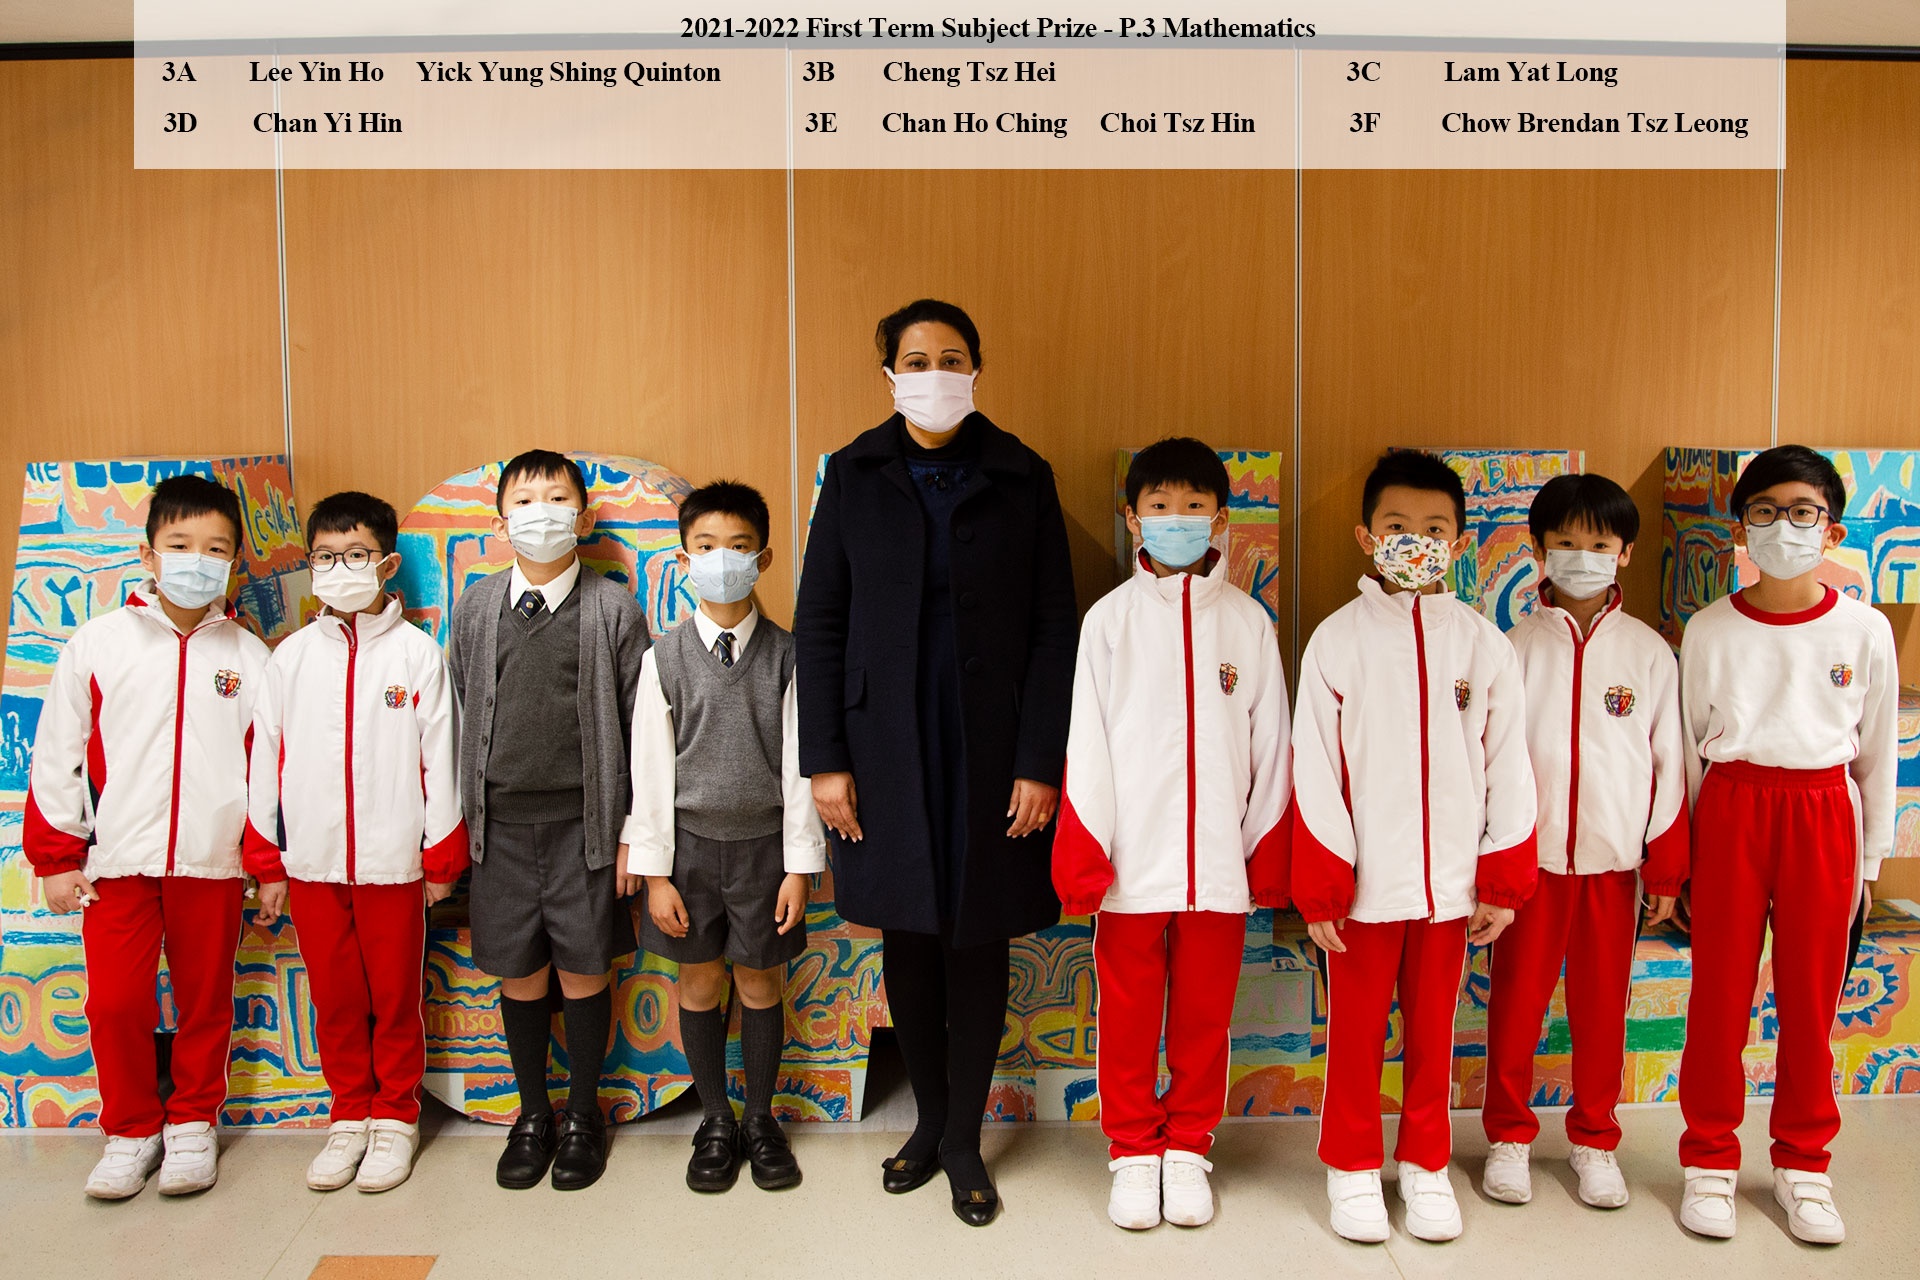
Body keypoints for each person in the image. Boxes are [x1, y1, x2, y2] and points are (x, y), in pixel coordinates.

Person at [794, 298, 1078, 1225]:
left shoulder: (1023, 475)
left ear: (976, 369)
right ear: (888, 374)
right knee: (908, 932)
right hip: (882, 743)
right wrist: (825, 758)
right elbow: (821, 622)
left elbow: (1054, 627)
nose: (934, 373)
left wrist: (1040, 759)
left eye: (952, 358)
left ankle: (962, 1139)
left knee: (977, 934)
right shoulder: (853, 474)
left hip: (992, 744)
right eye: (916, 360)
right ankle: (928, 1121)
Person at [1291, 449, 1537, 1244]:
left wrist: (1502, 877)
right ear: (1367, 537)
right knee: (1356, 1036)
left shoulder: (1483, 645)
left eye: (1434, 529)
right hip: (1363, 890)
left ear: (1459, 543)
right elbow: (1314, 767)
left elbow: (1508, 763)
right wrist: (1324, 884)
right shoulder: (1336, 641)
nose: (1416, 542)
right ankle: (1352, 1164)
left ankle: (1427, 1162)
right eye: (1398, 525)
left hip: (1450, 890)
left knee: (1435, 1034)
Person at [1052, 438, 1291, 1231]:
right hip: (1131, 867)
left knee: (1203, 1020)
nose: (1177, 519)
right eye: (1160, 506)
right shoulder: (1108, 623)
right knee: (1125, 1019)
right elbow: (1086, 743)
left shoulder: (1249, 624)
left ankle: (1188, 1146)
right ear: (1133, 518)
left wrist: (1261, 853)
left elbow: (1272, 746)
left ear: (1221, 519)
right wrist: (1090, 853)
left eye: (1194, 506)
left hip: (1217, 869)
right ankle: (1132, 1150)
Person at [1674, 445, 1898, 1246]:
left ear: (1830, 528)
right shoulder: (1710, 628)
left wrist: (1867, 862)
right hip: (1732, 807)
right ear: (1741, 528)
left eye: (1802, 511)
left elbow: (1877, 753)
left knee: (1810, 1004)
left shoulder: (1865, 629)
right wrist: (1689, 856)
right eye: (1764, 511)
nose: (1783, 526)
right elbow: (1690, 745)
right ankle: (1708, 1160)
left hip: (1823, 812)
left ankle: (1804, 1165)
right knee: (1718, 1000)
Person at [24, 474, 268, 1199]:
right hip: (118, 861)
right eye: (180, 544)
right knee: (115, 1005)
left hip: (212, 862)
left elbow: (267, 768)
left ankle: (192, 1123)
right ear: (148, 553)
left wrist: (262, 861)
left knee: (205, 1002)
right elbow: (58, 752)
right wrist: (57, 856)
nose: (197, 559)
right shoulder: (98, 644)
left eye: (216, 548)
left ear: (234, 561)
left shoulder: (249, 657)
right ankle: (130, 1130)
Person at [244, 491, 468, 1193]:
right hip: (311, 866)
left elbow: (442, 761)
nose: (341, 568)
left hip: (393, 865)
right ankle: (348, 1115)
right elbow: (264, 763)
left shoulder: (417, 655)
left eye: (357, 555)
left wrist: (441, 856)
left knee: (396, 997)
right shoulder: (289, 659)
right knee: (336, 999)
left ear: (387, 564)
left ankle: (395, 1117)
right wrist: (266, 861)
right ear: (311, 565)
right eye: (327, 557)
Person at [1481, 473, 1688, 1210]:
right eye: (1565, 542)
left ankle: (1595, 1140)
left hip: (1613, 866)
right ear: (1538, 550)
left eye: (1599, 543)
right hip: (1529, 866)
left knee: (1603, 1011)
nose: (1581, 556)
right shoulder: (1508, 649)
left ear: (1624, 552)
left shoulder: (1650, 654)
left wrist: (1666, 865)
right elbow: (1489, 760)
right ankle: (1508, 1137)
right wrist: (1493, 858)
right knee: (1515, 1008)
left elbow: (1669, 764)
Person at [447, 449, 650, 1191]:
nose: (541, 513)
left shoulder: (613, 609)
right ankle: (534, 1114)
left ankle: (583, 1114)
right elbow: (460, 707)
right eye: (525, 501)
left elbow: (641, 728)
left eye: (557, 499)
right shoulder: (475, 608)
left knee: (585, 969)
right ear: (501, 523)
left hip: (583, 830)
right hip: (499, 831)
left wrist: (632, 833)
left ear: (583, 518)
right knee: (521, 973)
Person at [620, 480, 825, 1194]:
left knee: (760, 981)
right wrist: (655, 876)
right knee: (700, 980)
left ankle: (761, 1119)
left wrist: (799, 867)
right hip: (688, 853)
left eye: (738, 546)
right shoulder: (664, 658)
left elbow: (801, 768)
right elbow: (649, 773)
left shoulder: (789, 656)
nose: (722, 559)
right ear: (684, 560)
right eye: (705, 547)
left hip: (766, 850)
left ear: (762, 559)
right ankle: (715, 1120)